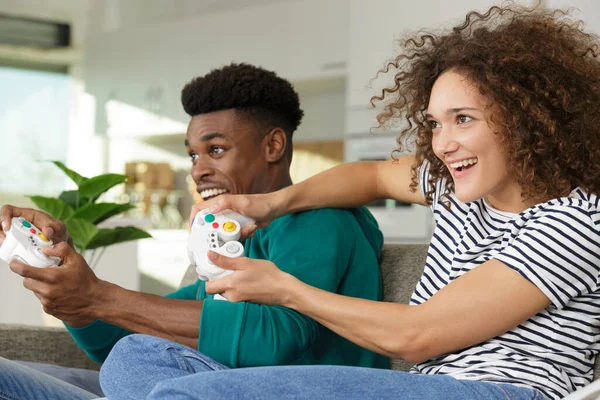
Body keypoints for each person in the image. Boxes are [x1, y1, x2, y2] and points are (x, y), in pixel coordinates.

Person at [143, 4, 600, 400]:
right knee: (138, 360)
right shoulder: (454, 183)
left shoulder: (575, 222)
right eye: (435, 124)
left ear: (525, 122)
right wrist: (269, 205)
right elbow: (371, 176)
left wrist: (285, 290)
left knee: (184, 394)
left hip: (501, 391)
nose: (443, 144)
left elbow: (416, 334)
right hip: (427, 387)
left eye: (463, 119)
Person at [0, 63, 387, 400]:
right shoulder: (229, 238)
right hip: (202, 386)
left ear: (273, 146)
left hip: (300, 391)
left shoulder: (319, 220)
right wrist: (66, 277)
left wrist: (100, 297)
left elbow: (277, 340)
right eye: (192, 154)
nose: (198, 169)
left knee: (133, 363)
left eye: (215, 149)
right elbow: (119, 337)